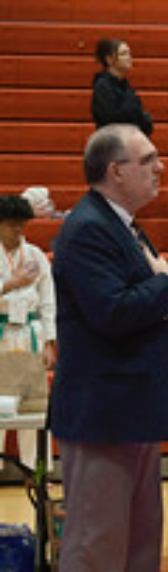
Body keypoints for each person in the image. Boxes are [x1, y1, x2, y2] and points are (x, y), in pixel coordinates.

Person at [49, 124, 168, 572]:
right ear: (116, 170)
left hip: (131, 407)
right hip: (102, 410)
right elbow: (110, 312)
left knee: (137, 538)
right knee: (96, 539)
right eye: (149, 159)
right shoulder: (86, 230)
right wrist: (165, 282)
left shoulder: (121, 226)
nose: (161, 167)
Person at [0, 195, 56, 469]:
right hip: (1, 330)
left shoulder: (34, 255)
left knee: (32, 403)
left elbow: (48, 299)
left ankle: (35, 469)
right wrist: (10, 284)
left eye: (21, 225)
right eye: (11, 225)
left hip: (30, 333)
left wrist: (49, 340)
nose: (18, 230)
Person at [90, 38, 153, 136]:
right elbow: (111, 119)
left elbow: (144, 122)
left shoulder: (126, 86)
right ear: (109, 60)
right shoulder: (103, 87)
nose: (129, 57)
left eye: (129, 53)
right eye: (123, 54)